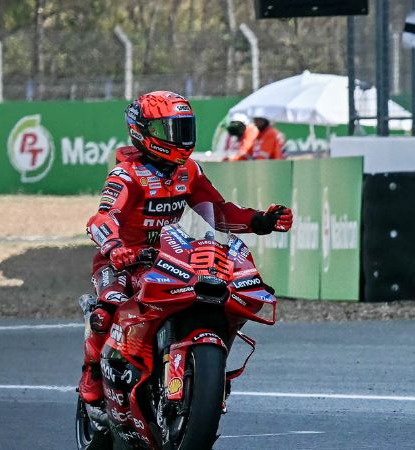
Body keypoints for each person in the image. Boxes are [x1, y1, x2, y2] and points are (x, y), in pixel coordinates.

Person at [79, 90, 293, 405]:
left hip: (166, 257)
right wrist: (114, 246)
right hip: (122, 261)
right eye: (169, 129)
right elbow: (101, 218)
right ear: (143, 132)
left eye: (183, 127)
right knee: (108, 305)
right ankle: (92, 372)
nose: (178, 137)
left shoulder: (189, 170)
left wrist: (260, 220)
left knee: (206, 290)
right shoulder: (125, 175)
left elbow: (220, 212)